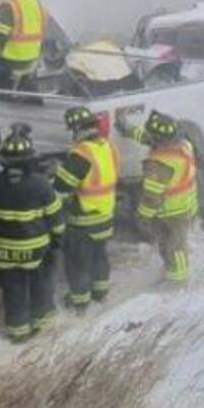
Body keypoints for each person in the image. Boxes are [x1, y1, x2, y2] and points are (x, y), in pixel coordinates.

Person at [0, 127, 64, 342]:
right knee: (40, 285)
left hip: (4, 252)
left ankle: (18, 332)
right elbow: (57, 219)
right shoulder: (42, 185)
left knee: (13, 290)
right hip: (36, 251)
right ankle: (42, 324)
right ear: (30, 160)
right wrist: (57, 241)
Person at [119, 110, 198, 283]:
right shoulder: (184, 145)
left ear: (159, 140)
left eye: (153, 137)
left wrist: (143, 216)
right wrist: (128, 129)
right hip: (186, 204)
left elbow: (151, 198)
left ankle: (178, 279)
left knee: (175, 246)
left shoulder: (158, 164)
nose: (150, 139)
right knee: (174, 242)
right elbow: (148, 138)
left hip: (171, 211)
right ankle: (172, 270)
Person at [55, 107, 120, 309]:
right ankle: (100, 293)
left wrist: (55, 174)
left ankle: (80, 302)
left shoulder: (81, 154)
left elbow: (62, 187)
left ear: (76, 128)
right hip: (106, 214)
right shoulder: (109, 147)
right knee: (99, 256)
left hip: (83, 219)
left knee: (77, 262)